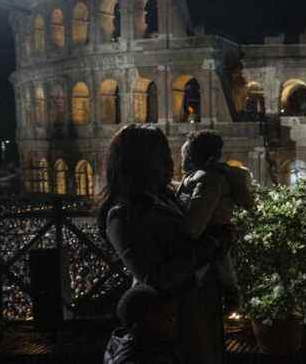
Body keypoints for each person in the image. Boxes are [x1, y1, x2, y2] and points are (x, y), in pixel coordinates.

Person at [98, 124, 233, 364]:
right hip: (167, 319)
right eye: (162, 156)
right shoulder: (122, 215)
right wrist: (211, 244)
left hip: (199, 306)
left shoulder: (167, 197)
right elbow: (154, 277)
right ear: (141, 162)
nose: (171, 162)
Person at [177, 130, 254, 299]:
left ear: (192, 155)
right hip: (210, 253)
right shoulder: (202, 178)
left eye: (184, 153)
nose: (181, 158)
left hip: (206, 259)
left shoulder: (208, 181)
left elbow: (193, 227)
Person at [104, 284, 183, 364]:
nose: (172, 322)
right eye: (162, 317)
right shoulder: (134, 359)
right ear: (140, 326)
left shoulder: (149, 344)